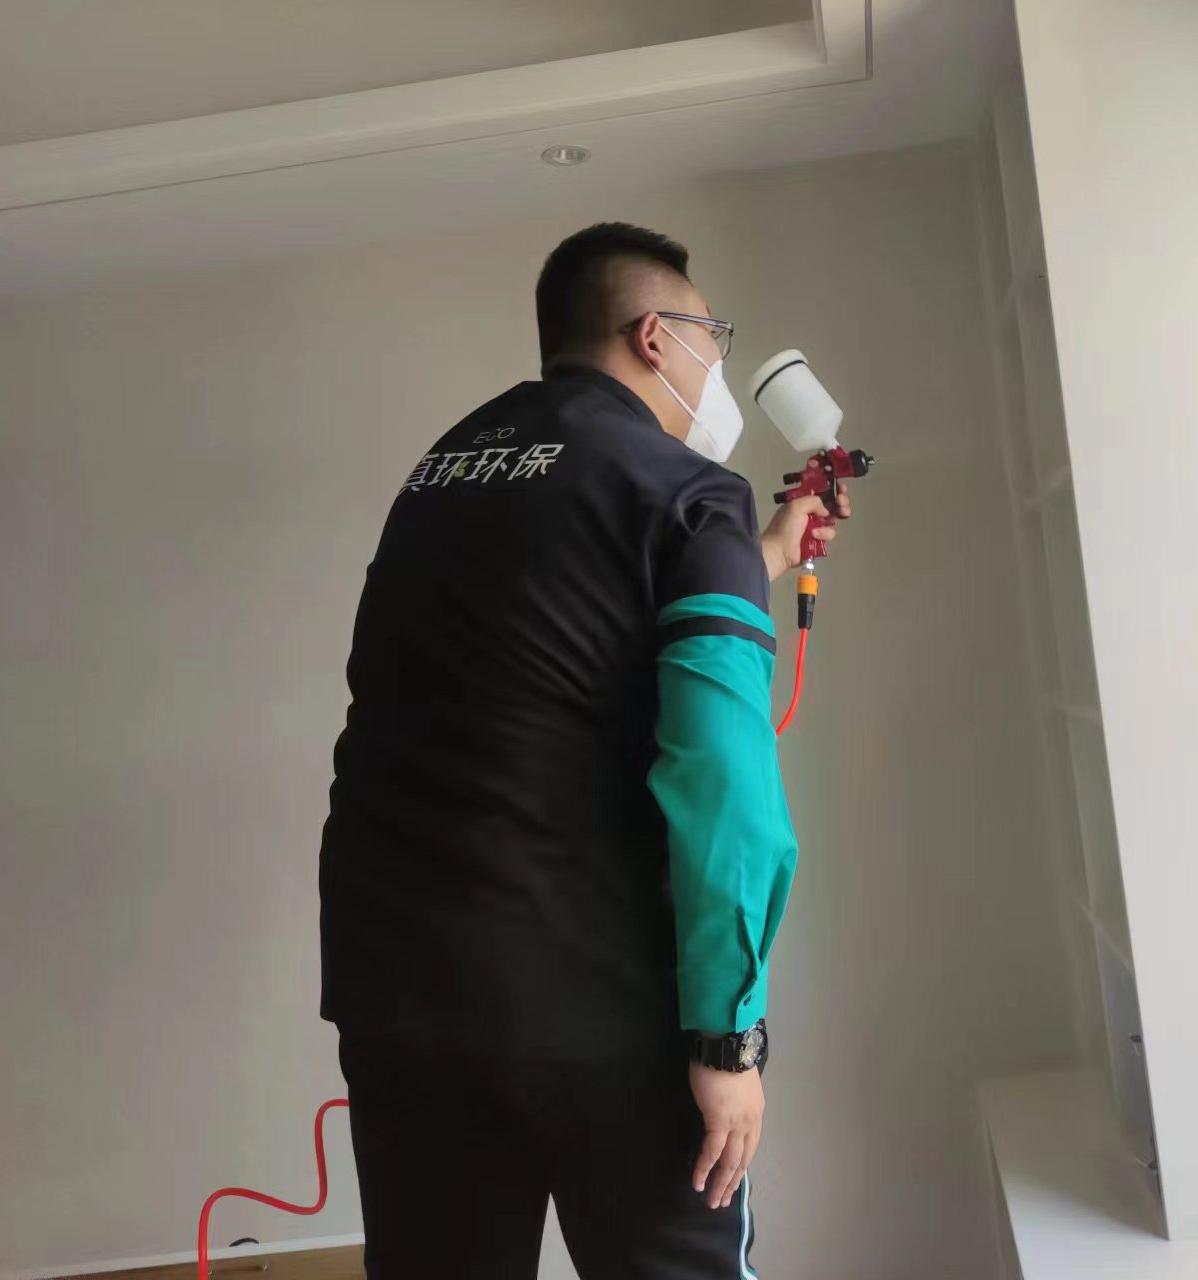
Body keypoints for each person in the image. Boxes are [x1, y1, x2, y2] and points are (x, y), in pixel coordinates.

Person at [317, 221, 848, 1279]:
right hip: (602, 1009)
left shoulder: (443, 468)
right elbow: (724, 780)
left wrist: (760, 555)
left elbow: (555, 640)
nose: (717, 369)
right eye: (712, 339)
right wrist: (728, 1040)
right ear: (655, 336)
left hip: (399, 993)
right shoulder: (688, 491)